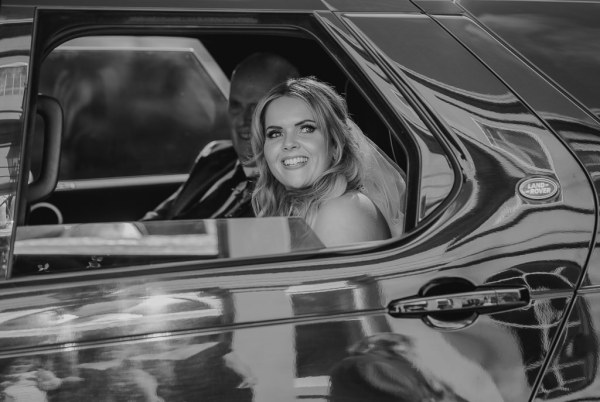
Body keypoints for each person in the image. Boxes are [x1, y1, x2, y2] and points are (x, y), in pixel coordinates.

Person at [140, 53, 299, 221]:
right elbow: (158, 218)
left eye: (256, 107)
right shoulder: (215, 156)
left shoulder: (295, 191)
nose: (243, 119)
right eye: (236, 106)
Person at [251, 77, 405, 247]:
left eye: (306, 129)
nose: (288, 143)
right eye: (275, 134)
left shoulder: (343, 210)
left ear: (335, 144)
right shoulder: (292, 212)